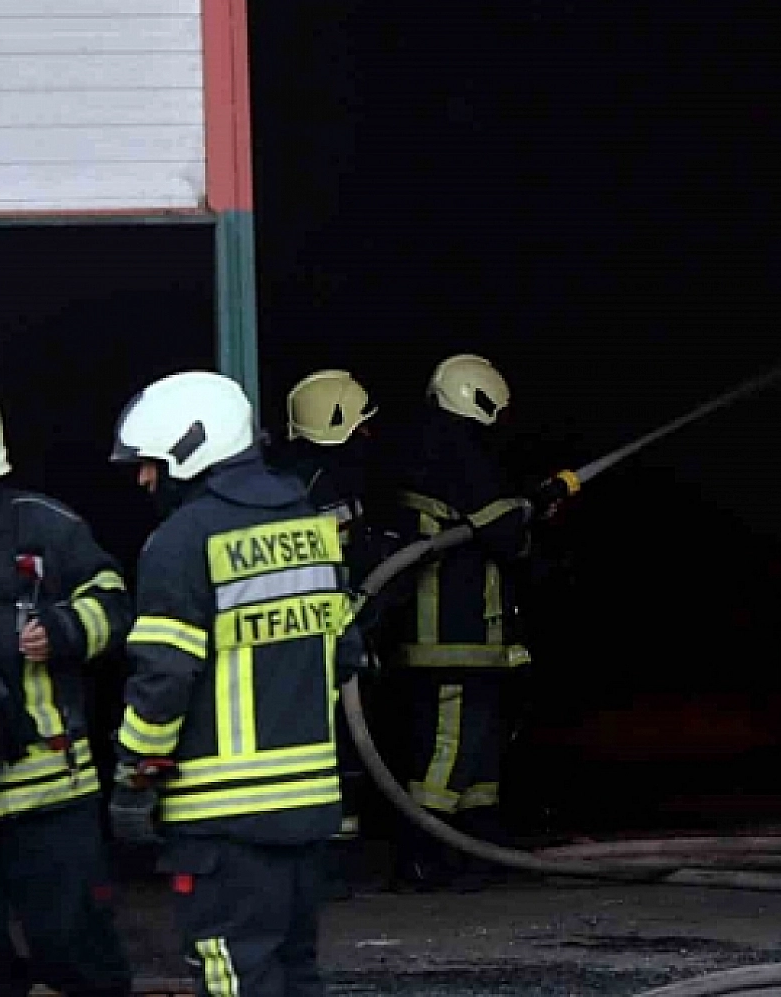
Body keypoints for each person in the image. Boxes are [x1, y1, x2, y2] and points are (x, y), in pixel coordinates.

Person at [108, 371, 365, 996]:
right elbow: (347, 653)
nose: (143, 479)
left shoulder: (178, 542)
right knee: (296, 973)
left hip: (221, 821)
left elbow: (163, 680)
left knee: (233, 978)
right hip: (308, 811)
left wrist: (134, 778)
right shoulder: (311, 526)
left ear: (191, 446)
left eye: (149, 464)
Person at [0, 384, 134, 997]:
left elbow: (117, 605)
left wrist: (67, 629)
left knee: (78, 953)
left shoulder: (45, 525)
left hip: (50, 791)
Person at [386, 354, 565, 891]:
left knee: (477, 751)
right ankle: (422, 852)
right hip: (451, 635)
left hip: (468, 634)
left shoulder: (435, 449)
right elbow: (505, 530)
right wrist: (540, 502)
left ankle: (476, 844)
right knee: (449, 748)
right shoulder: (458, 453)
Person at [271, 370, 386, 898]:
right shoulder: (318, 487)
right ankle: (331, 864)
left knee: (344, 751)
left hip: (334, 632)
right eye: (361, 426)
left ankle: (337, 858)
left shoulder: (309, 480)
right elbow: (333, 564)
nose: (369, 436)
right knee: (333, 752)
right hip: (323, 639)